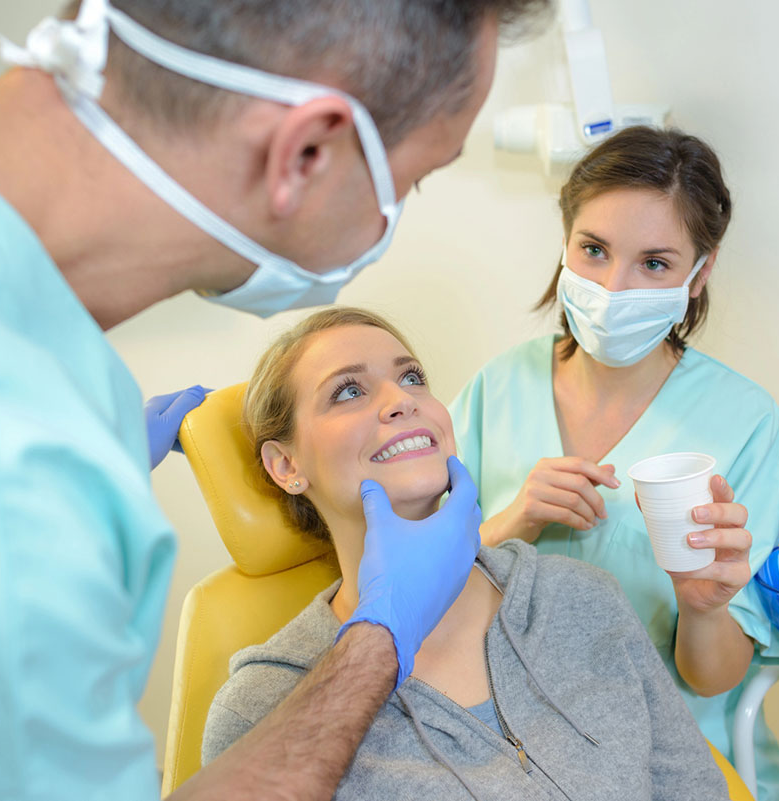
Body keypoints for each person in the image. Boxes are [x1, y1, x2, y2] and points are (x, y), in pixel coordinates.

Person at [0, 2, 550, 800]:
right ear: (305, 151)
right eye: (413, 178)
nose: (399, 402)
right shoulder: (2, 480)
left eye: (410, 376)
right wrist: (379, 638)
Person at [200, 306, 730, 800]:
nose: (401, 400)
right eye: (347, 392)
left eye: (411, 378)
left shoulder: (582, 597)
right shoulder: (261, 708)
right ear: (286, 466)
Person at [448, 126, 779, 801]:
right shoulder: (497, 388)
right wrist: (513, 522)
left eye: (655, 263)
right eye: (595, 250)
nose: (613, 286)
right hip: (505, 749)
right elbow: (419, 591)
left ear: (701, 272)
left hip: (666, 761)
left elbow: (716, 679)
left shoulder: (744, 419)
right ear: (565, 241)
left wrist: (703, 607)